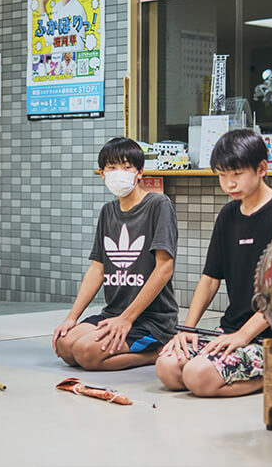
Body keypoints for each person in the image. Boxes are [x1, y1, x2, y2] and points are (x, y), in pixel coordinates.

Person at [155, 130, 272, 397]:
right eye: (222, 175)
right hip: (231, 328)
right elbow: (210, 278)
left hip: (270, 336)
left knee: (197, 377)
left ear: (261, 169)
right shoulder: (228, 214)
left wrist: (244, 336)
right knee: (168, 368)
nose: (229, 184)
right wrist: (187, 330)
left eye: (236, 174)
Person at [52, 137, 178, 371]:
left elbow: (164, 268)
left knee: (86, 354)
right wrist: (72, 317)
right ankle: (115, 340)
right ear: (102, 173)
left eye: (126, 166)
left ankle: (157, 351)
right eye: (112, 167)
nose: (119, 173)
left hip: (152, 320)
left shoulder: (159, 205)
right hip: (113, 313)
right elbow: (97, 269)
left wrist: (127, 319)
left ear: (139, 172)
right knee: (65, 345)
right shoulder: (108, 211)